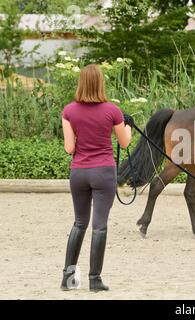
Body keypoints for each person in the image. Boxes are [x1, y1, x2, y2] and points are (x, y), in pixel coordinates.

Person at [60, 64, 132, 292]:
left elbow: (69, 148)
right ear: (101, 83)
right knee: (99, 226)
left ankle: (69, 280)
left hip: (79, 172)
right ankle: (94, 280)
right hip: (103, 173)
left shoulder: (69, 111)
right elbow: (125, 142)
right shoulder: (112, 111)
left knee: (79, 223)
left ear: (81, 83)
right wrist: (126, 125)